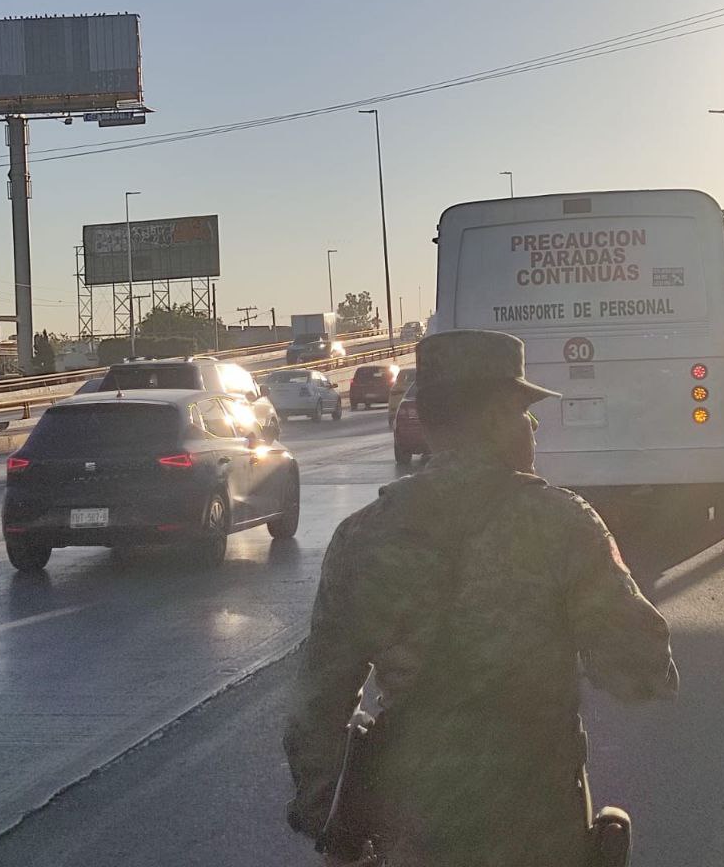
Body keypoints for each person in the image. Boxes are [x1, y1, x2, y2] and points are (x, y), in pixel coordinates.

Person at [284, 329, 678, 867]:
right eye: (524, 414)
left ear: (429, 420)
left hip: (413, 835)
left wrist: (329, 823)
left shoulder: (361, 537)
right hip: (539, 833)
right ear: (495, 419)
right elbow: (641, 676)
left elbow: (317, 704)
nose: (532, 428)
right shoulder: (563, 525)